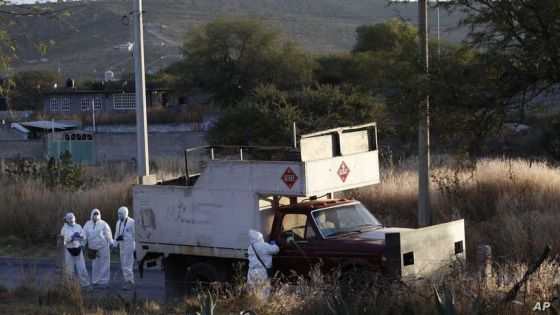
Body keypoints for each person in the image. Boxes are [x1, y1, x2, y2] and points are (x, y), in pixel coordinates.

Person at [83, 208, 113, 289]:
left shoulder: (103, 224)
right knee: (95, 265)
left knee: (105, 264)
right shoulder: (87, 224)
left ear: (100, 214)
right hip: (92, 248)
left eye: (97, 214)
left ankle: (104, 282)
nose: (96, 215)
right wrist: (83, 245)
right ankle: (95, 282)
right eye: (94, 214)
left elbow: (108, 235)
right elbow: (84, 236)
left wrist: (112, 244)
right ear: (91, 215)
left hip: (103, 247)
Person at [60, 212, 90, 287]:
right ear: (67, 221)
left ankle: (85, 284)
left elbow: (84, 236)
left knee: (82, 268)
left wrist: (81, 236)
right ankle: (70, 286)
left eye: (73, 221)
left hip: (78, 249)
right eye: (71, 221)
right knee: (69, 269)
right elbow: (63, 239)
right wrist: (71, 237)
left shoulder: (78, 226)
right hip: (69, 250)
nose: (72, 222)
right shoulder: (64, 228)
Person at [247, 229, 279, 300]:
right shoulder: (264, 246)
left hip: (251, 271)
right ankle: (261, 308)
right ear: (260, 237)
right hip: (261, 272)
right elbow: (276, 249)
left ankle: (252, 306)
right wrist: (274, 244)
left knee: (252, 291)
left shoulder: (250, 247)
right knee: (263, 291)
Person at [113, 206, 135, 290]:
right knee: (123, 265)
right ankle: (127, 280)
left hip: (129, 246)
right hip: (122, 246)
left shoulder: (131, 222)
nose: (119, 215)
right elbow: (116, 234)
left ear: (125, 213)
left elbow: (135, 236)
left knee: (127, 265)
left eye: (121, 214)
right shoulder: (118, 222)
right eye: (118, 213)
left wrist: (135, 249)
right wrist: (115, 245)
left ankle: (130, 282)